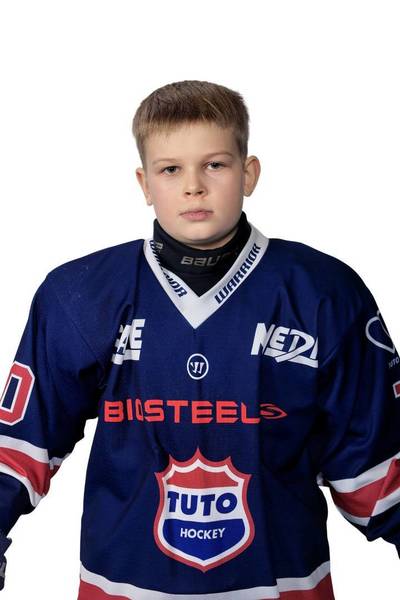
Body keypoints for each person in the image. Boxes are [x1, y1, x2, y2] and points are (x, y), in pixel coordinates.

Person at [0, 79, 399, 599]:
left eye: (214, 164)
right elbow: (19, 450)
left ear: (248, 173)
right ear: (145, 183)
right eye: (171, 169)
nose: (194, 186)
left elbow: (375, 469)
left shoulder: (325, 292)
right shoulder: (80, 294)